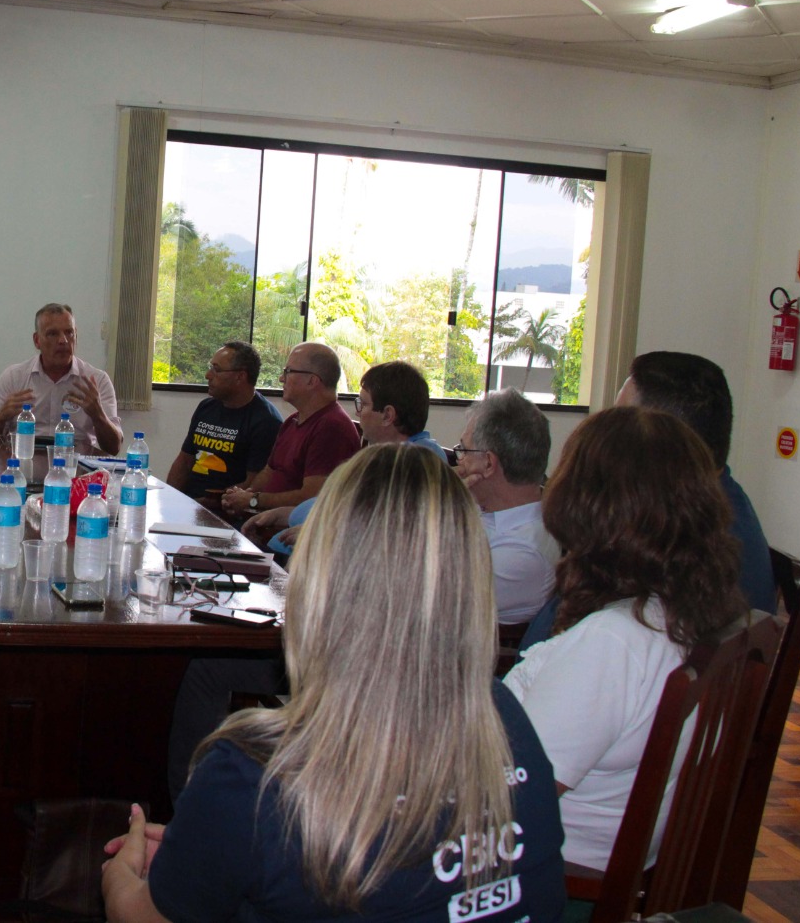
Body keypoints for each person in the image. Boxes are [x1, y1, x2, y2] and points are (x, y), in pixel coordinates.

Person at [105, 445, 565, 922]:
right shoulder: (507, 722)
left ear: (322, 577)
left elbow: (141, 915)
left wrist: (122, 871)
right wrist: (204, 848)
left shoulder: (254, 775)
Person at [504, 406, 747, 874]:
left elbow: (508, 795)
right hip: (601, 861)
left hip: (554, 877)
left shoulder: (614, 644)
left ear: (583, 505)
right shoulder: (685, 613)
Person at [615, 350, 777, 613]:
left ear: (666, 439)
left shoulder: (691, 538)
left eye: (620, 422)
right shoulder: (713, 499)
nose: (608, 436)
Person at [245, 359, 443, 552]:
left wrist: (322, 533)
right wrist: (282, 515)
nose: (358, 414)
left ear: (388, 415)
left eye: (363, 405)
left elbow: (385, 534)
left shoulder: (418, 462)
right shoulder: (384, 455)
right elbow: (342, 509)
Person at [454, 387, 558, 625]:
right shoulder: (489, 509)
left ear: (488, 463)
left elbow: (424, 595)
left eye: (464, 451)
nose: (460, 463)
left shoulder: (523, 553)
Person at [223, 342, 359, 523]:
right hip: (260, 520)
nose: (281, 378)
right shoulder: (292, 420)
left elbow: (311, 498)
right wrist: (244, 498)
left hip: (287, 531)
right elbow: (269, 471)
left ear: (312, 380)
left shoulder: (332, 428)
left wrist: (254, 501)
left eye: (288, 371)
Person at [0, 302, 123, 455]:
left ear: (76, 336)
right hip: (22, 461)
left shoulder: (97, 380)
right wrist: (2, 416)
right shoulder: (13, 378)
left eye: (69, 333)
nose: (63, 340)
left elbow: (114, 448)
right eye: (53, 334)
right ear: (37, 340)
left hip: (75, 467)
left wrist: (98, 415)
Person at [165, 341, 281, 504]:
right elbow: (184, 461)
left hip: (226, 511)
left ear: (240, 376)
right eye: (210, 367)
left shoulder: (266, 421)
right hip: (190, 503)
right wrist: (171, 499)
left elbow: (252, 485)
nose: (208, 375)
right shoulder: (206, 407)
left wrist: (203, 504)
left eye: (216, 369)